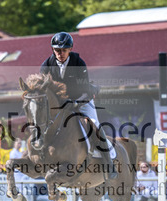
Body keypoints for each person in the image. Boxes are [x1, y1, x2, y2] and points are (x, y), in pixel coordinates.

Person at [40, 31, 117, 180]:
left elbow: (85, 90)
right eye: (57, 50)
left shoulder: (79, 63)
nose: (60, 54)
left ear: (70, 49)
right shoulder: (47, 65)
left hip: (82, 100)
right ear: (53, 49)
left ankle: (109, 163)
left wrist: (76, 103)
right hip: (60, 104)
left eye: (64, 50)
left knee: (93, 124)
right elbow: (43, 89)